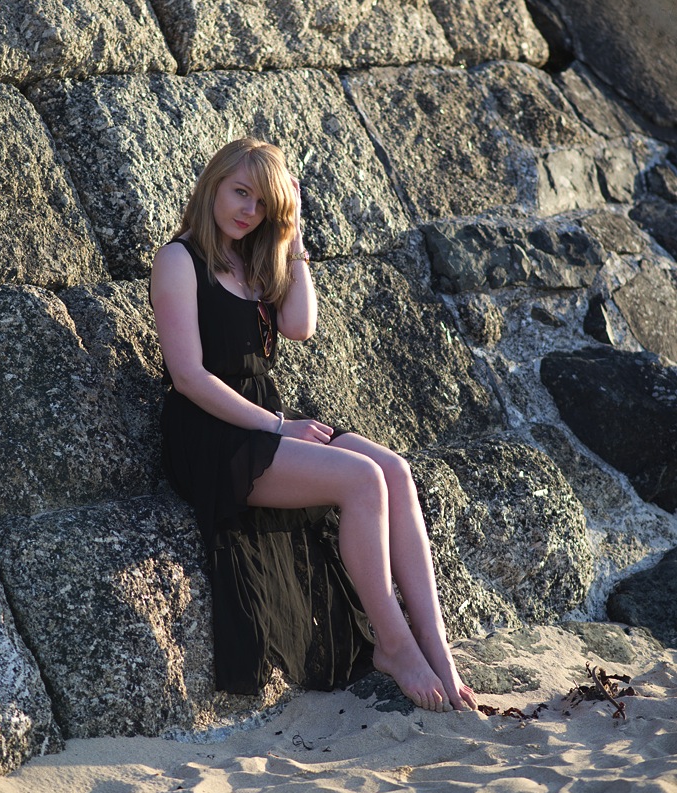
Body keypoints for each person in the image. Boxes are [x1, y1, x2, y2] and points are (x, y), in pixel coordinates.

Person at [151, 137, 477, 712]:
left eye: (264, 203)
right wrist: (278, 427)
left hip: (262, 417)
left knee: (394, 471)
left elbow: (300, 325)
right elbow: (188, 377)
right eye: (240, 193)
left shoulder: (255, 256)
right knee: (360, 481)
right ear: (214, 185)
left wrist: (293, 233)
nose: (248, 210)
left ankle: (437, 648)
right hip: (210, 433)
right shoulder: (179, 260)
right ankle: (395, 647)